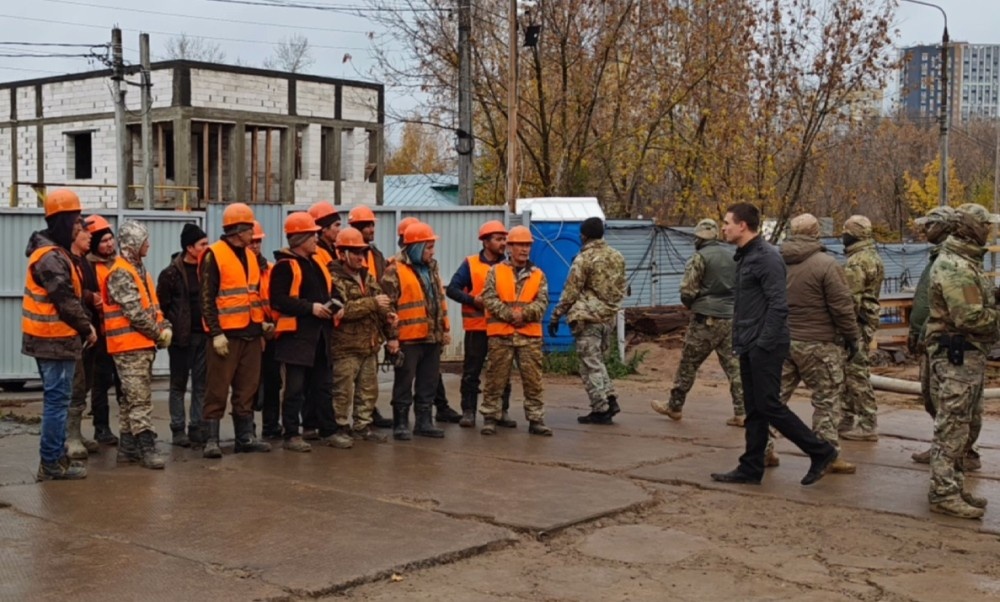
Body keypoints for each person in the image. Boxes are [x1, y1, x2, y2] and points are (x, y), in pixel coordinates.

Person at [709, 203, 837, 486]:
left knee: (769, 405)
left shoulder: (766, 257)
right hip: (749, 342)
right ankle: (751, 467)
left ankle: (821, 451)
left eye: (727, 222)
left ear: (742, 226)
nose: (724, 227)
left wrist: (763, 344)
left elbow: (779, 306)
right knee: (753, 408)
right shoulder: (745, 256)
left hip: (765, 344)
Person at [923, 203, 999, 519]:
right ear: (971, 228)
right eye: (986, 226)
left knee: (965, 424)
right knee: (952, 427)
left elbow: (976, 301)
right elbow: (970, 317)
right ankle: (942, 492)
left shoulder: (966, 262)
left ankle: (952, 486)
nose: (991, 231)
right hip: (957, 355)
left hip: (967, 356)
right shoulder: (954, 266)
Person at [772, 213, 859, 475]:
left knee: (774, 398)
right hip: (820, 343)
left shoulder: (776, 261)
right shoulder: (826, 264)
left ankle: (762, 448)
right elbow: (842, 306)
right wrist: (852, 337)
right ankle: (827, 452)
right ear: (815, 233)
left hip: (784, 341)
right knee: (826, 399)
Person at [23, 189, 96, 480]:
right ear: (63, 221)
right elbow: (65, 300)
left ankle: (55, 459)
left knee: (58, 400)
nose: (80, 225)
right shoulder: (50, 258)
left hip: (53, 339)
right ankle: (51, 464)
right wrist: (87, 327)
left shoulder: (56, 254)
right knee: (57, 401)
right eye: (76, 219)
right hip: (52, 339)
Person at [651, 218, 745, 426]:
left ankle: (674, 406)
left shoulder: (698, 258)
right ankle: (742, 412)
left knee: (688, 364)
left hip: (705, 319)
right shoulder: (733, 257)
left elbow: (688, 290)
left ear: (698, 237)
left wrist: (691, 304)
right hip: (729, 318)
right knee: (734, 367)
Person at [907, 207, 980, 468]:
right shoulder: (936, 258)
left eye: (930, 225)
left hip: (946, 343)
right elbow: (925, 301)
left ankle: (962, 452)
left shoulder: (951, 262)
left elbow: (956, 308)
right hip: (930, 340)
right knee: (932, 397)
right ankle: (944, 448)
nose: (925, 230)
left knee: (952, 402)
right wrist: (915, 332)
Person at [199, 202, 272, 458]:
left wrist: (261, 322)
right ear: (238, 230)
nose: (253, 234)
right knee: (217, 389)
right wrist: (215, 333)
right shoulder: (214, 254)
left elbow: (253, 294)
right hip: (226, 336)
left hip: (251, 334)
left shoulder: (251, 257)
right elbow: (207, 298)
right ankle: (211, 440)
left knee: (247, 388)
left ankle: (245, 437)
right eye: (250, 228)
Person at [103, 221, 172, 470]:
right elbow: (135, 313)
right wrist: (158, 334)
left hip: (138, 346)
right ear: (133, 244)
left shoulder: (139, 270)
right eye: (145, 240)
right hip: (128, 348)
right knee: (140, 400)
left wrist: (165, 326)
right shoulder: (122, 272)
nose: (149, 244)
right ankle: (147, 448)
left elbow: (152, 308)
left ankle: (127, 449)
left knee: (130, 400)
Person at [268, 212, 339, 452]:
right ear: (299, 239)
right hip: (295, 338)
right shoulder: (284, 266)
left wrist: (335, 307)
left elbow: (332, 291)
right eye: (312, 236)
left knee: (323, 386)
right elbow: (277, 300)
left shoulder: (317, 263)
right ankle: (291, 434)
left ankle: (327, 429)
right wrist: (311, 308)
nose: (316, 240)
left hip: (320, 336)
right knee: (294, 389)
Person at [548, 217, 626, 425]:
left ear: (583, 235)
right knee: (598, 362)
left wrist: (555, 316)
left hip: (588, 318)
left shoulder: (584, 259)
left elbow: (570, 291)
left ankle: (600, 408)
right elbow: (622, 288)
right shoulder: (617, 256)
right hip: (608, 318)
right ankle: (610, 398)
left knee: (590, 365)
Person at [480, 226, 553, 437]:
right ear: (509, 247)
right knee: (495, 378)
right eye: (520, 245)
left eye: (528, 245)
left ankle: (536, 419)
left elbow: (542, 302)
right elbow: (489, 298)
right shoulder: (495, 271)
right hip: (501, 335)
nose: (524, 249)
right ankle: (490, 418)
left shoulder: (538, 275)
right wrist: (510, 315)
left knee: (533, 380)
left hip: (529, 336)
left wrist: (524, 315)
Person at [389, 218, 462, 424]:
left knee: (428, 383)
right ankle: (401, 423)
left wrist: (445, 329)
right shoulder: (394, 270)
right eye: (429, 247)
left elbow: (439, 300)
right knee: (404, 383)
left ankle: (424, 422)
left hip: (432, 338)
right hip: (408, 340)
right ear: (416, 247)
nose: (433, 252)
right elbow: (387, 309)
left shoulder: (432, 269)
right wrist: (392, 338)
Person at [329, 226, 395, 446]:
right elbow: (341, 311)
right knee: (342, 392)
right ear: (342, 253)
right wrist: (373, 304)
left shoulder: (367, 277)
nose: (360, 257)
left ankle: (362, 427)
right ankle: (338, 428)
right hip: (345, 346)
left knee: (368, 390)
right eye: (355, 252)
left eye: (363, 252)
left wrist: (389, 319)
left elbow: (381, 302)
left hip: (369, 344)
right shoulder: (333, 278)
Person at [446, 220, 515, 428]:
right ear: (486, 242)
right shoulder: (471, 264)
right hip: (478, 328)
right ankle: (468, 411)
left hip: (502, 328)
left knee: (502, 372)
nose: (503, 243)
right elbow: (452, 289)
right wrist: (472, 300)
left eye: (504, 239)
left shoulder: (511, 265)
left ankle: (500, 411)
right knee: (471, 372)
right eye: (498, 239)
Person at [157, 223, 209, 448]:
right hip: (181, 339)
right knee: (178, 385)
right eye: (203, 244)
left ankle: (196, 427)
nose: (207, 248)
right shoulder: (170, 274)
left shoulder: (206, 269)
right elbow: (162, 306)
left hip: (204, 336)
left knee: (201, 384)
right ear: (190, 247)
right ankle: (178, 429)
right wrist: (169, 330)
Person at [349, 204, 397, 429]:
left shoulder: (376, 254)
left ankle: (368, 413)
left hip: (373, 318)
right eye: (366, 226)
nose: (371, 229)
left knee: (369, 374)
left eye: (371, 225)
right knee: (345, 377)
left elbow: (380, 286)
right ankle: (344, 418)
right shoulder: (344, 253)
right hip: (353, 320)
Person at [839, 215, 885, 441]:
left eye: (845, 231)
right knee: (849, 372)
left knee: (856, 373)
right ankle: (846, 417)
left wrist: (843, 328)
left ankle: (868, 423)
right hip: (864, 321)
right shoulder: (871, 256)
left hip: (856, 323)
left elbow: (849, 299)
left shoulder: (857, 261)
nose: (842, 235)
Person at [82, 215, 122, 446]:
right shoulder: (87, 265)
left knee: (123, 384)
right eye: (104, 240)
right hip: (100, 335)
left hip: (121, 334)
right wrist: (91, 298)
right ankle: (102, 428)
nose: (109, 244)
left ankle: (127, 428)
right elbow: (80, 293)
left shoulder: (119, 263)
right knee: (100, 382)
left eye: (111, 239)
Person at [65, 216, 100, 460]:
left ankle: (77, 432)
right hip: (73, 333)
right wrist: (89, 296)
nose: (90, 237)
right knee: (75, 386)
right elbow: (69, 296)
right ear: (73, 237)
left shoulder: (84, 262)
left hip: (89, 331)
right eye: (84, 234)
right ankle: (71, 437)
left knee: (85, 382)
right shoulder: (67, 261)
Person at [251, 221, 283, 440]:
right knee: (248, 386)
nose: (255, 245)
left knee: (273, 384)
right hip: (249, 334)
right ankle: (246, 430)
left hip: (272, 335)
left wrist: (274, 328)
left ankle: (271, 427)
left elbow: (278, 301)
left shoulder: (271, 269)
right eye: (252, 241)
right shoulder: (239, 270)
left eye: (258, 241)